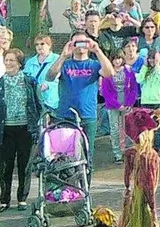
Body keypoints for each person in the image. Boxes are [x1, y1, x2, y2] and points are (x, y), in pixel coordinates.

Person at [45, 31, 116, 168]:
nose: (81, 46)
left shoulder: (94, 65)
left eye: (84, 42)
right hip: (65, 115)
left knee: (87, 155)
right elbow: (50, 76)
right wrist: (63, 55)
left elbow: (110, 73)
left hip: (87, 116)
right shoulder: (65, 64)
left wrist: (97, 50)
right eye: (77, 42)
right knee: (65, 155)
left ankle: (85, 181)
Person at [0, 48, 40, 213]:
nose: (8, 63)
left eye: (12, 61)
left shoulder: (30, 82)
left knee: (25, 166)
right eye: (6, 60)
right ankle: (4, 200)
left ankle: (22, 199)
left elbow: (38, 105)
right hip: (4, 130)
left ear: (20, 64)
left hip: (26, 129)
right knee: (4, 167)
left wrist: (40, 127)